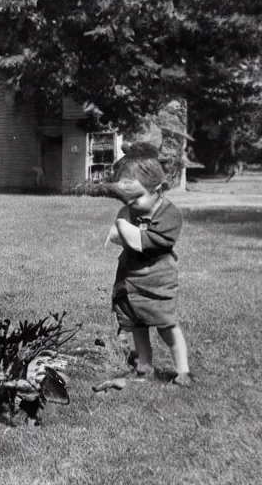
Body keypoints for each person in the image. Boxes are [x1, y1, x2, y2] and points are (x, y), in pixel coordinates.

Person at [105, 143, 192, 386]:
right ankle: (144, 366)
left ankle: (183, 370)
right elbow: (115, 238)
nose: (129, 203)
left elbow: (139, 241)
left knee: (166, 326)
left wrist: (122, 225)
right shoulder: (131, 211)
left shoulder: (169, 215)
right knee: (137, 325)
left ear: (158, 189)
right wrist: (123, 227)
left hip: (157, 282)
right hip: (131, 281)